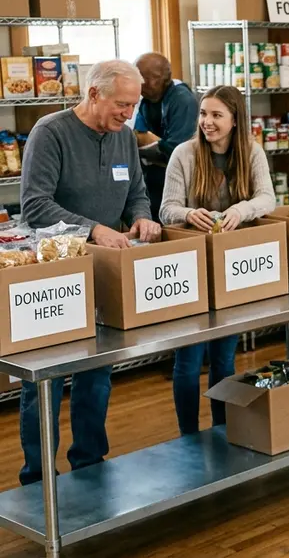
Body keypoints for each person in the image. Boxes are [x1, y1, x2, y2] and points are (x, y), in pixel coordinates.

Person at [18, 59, 162, 484]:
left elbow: (136, 190)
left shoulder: (123, 138)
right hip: (54, 278)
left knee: (96, 372)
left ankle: (88, 465)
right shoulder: (51, 132)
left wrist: (141, 217)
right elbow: (34, 206)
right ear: (93, 94)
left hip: (103, 272)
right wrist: (94, 229)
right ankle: (38, 476)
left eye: (134, 106)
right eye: (121, 104)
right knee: (42, 383)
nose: (128, 115)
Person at [160, 85, 274, 435]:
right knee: (189, 359)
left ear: (235, 120)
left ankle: (224, 431)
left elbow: (268, 199)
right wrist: (189, 213)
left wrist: (240, 210)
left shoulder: (252, 153)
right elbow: (166, 209)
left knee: (224, 357)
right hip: (192, 270)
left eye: (216, 115)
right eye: (203, 114)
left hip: (232, 270)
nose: (207, 122)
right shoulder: (184, 153)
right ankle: (188, 436)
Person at [134, 52, 199, 223]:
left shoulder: (182, 100)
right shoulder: (146, 100)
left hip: (177, 183)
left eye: (143, 78)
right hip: (151, 181)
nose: (139, 84)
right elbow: (138, 135)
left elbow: (179, 150)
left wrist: (150, 142)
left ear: (162, 78)